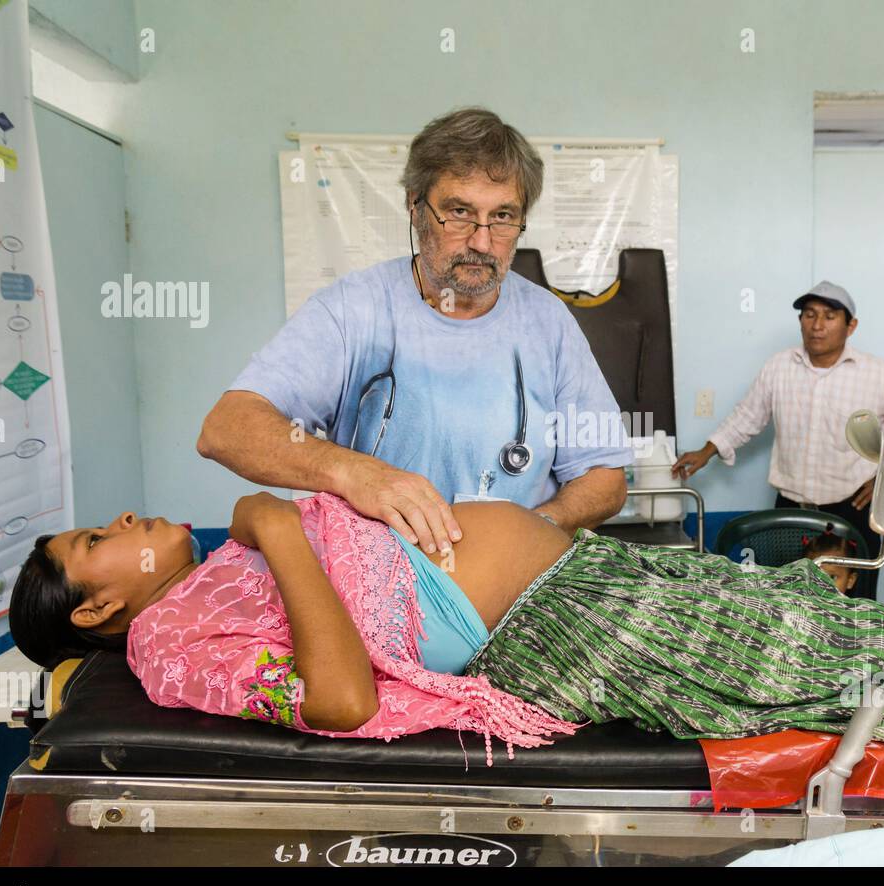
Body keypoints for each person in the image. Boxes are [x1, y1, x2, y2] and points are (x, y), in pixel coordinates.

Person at [8, 491, 884, 792]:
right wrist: (272, 521)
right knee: (819, 665)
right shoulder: (174, 646)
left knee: (830, 617)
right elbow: (343, 696)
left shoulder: (197, 588)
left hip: (576, 571)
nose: (117, 525)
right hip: (554, 626)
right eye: (92, 543)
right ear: (99, 610)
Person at [197, 107, 631, 557]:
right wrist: (352, 472)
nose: (482, 242)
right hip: (384, 589)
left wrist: (531, 528)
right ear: (415, 206)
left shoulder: (548, 321)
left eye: (502, 217)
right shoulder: (353, 310)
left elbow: (605, 477)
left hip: (515, 582)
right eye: (459, 212)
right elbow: (226, 429)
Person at [672, 281, 884, 598]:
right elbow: (748, 415)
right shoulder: (779, 367)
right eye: (809, 315)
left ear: (851, 326)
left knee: (854, 611)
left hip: (851, 511)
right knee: (789, 605)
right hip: (789, 512)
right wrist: (707, 451)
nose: (817, 325)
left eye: (829, 316)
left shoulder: (878, 375)